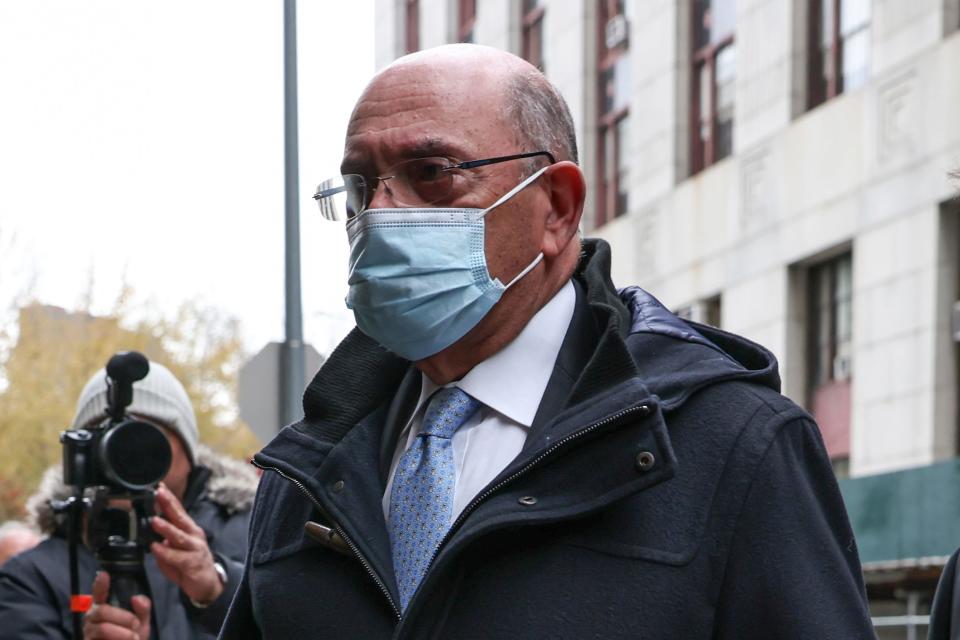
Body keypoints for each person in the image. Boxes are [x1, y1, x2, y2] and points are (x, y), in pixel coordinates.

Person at [220, 44, 875, 639]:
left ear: (557, 208)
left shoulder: (731, 443)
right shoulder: (310, 465)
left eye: (432, 172)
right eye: (362, 186)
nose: (381, 217)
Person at [0, 360, 258, 639]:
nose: (128, 458)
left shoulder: (252, 539)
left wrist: (219, 591)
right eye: (111, 441)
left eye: (147, 439)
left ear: (189, 454)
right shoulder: (31, 577)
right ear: (83, 456)